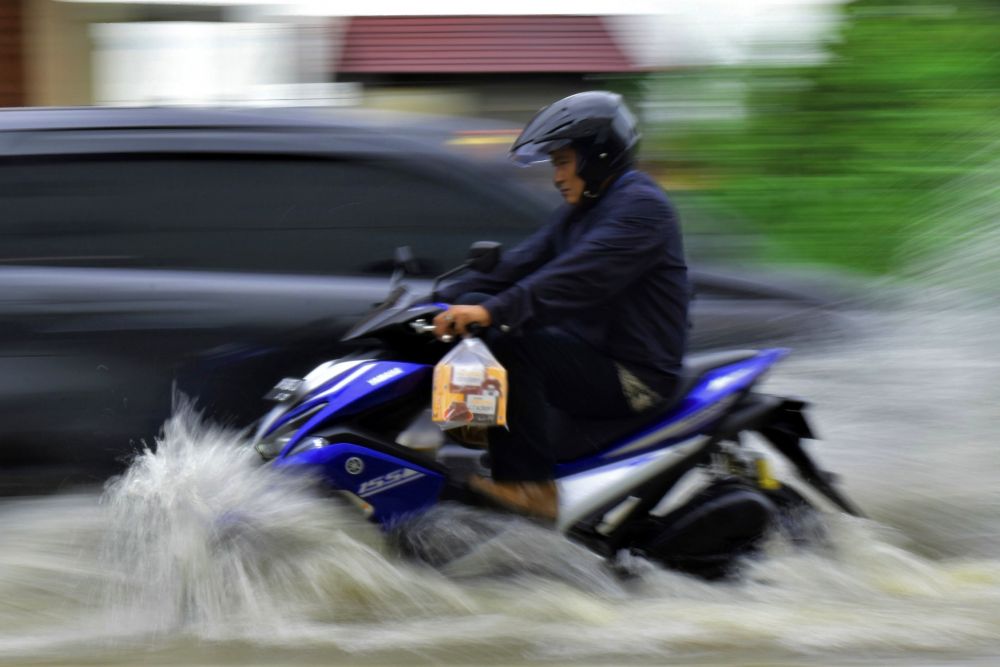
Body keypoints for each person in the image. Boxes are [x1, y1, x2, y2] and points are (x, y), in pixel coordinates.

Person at [433, 91, 689, 521]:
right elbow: (517, 265)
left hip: (635, 376)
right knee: (478, 311)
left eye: (562, 161)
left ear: (599, 155)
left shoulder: (642, 208)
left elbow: (576, 277)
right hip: (589, 357)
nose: (556, 176)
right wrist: (433, 303)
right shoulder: (584, 210)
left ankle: (532, 488)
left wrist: (494, 312)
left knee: (513, 343)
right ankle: (473, 443)